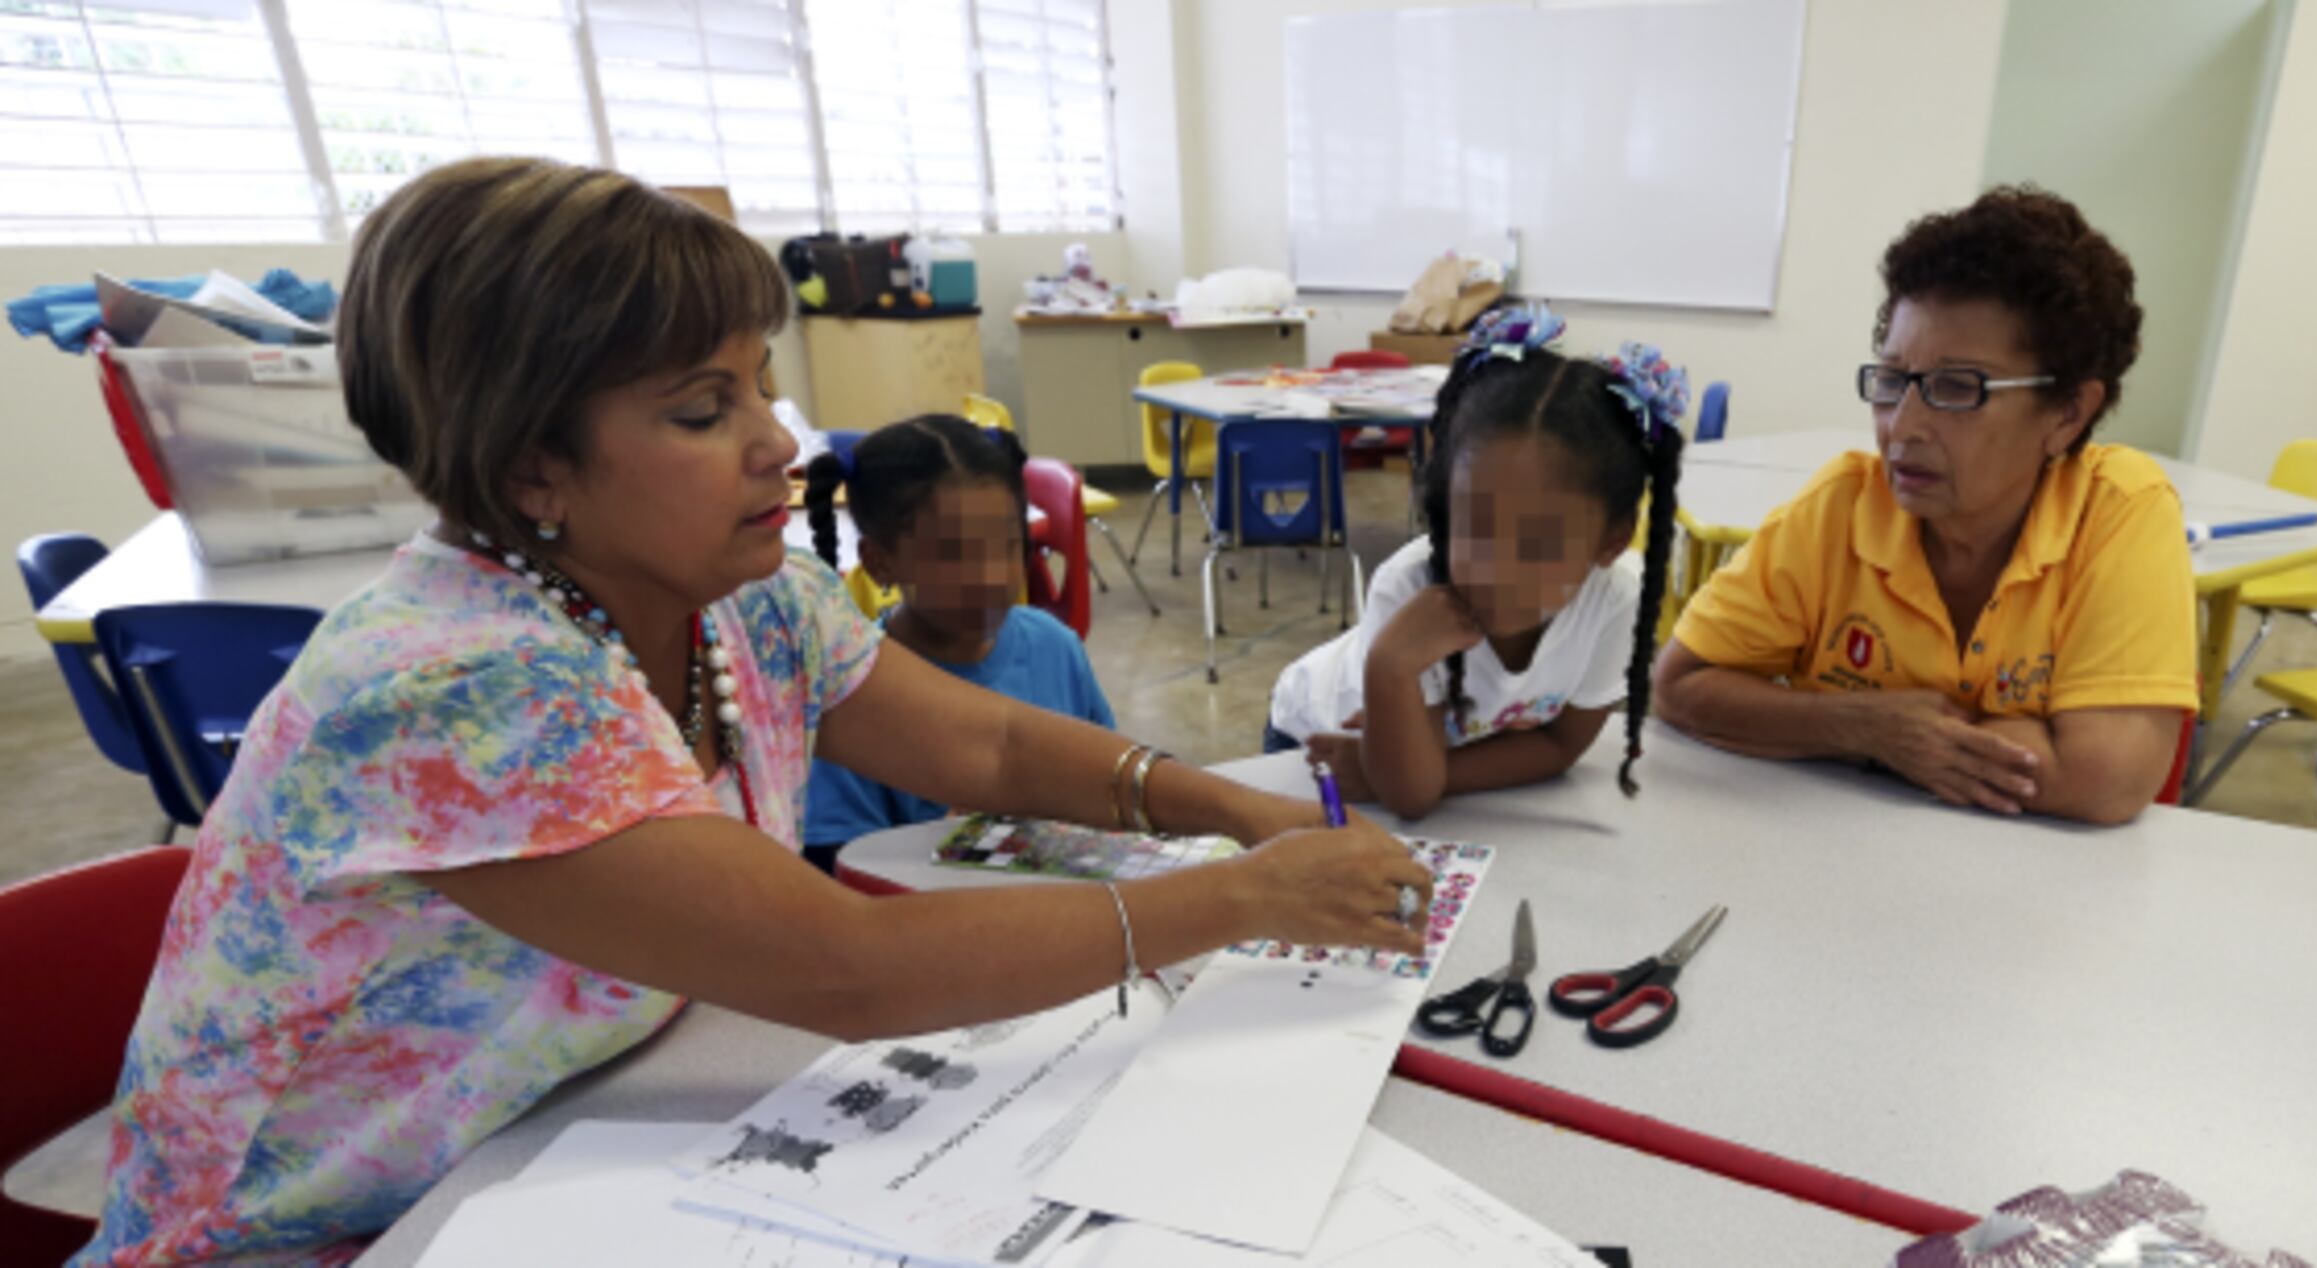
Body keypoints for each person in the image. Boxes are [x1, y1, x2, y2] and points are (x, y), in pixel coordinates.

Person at [74, 158, 1430, 1266]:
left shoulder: (748, 599)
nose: (778, 439)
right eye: (703, 408)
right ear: (532, 458)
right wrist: (1249, 897)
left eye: (762, 384)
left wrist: (1229, 808)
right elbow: (849, 973)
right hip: (320, 1234)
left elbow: (990, 742)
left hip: (566, 1137)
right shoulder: (455, 687)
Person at [1652, 186, 2197, 826]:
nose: (1902, 427)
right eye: (1892, 381)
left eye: (1955, 388)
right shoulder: (1843, 506)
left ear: (2068, 413)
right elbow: (1680, 685)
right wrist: (1869, 727)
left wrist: (1867, 732)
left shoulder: (2119, 510)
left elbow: (2106, 781)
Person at [1265, 306, 1688, 819]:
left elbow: (1560, 746)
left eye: (1538, 543)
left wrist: (1418, 769)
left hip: (1402, 764)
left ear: (1613, 540)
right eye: (1475, 527)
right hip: (1308, 744)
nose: (1495, 571)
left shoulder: (1618, 600)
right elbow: (1410, 798)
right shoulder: (1407, 587)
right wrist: (1389, 667)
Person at [797, 416, 1116, 871]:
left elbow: (1112, 788)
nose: (989, 577)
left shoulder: (1055, 648)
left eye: (1006, 546)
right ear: (879, 562)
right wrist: (948, 843)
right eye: (953, 554)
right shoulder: (850, 691)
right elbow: (843, 877)